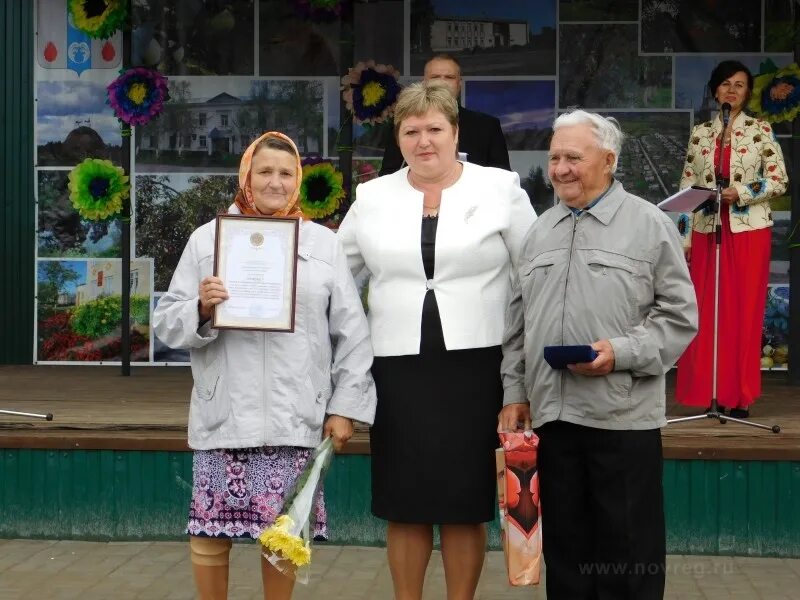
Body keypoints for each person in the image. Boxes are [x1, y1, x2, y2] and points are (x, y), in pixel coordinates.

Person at [152, 131, 376, 600]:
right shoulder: (208, 240)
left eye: (286, 173)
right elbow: (166, 323)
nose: (275, 182)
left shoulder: (322, 244)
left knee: (282, 536)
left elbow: (352, 334)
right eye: (265, 171)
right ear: (246, 175)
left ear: (298, 180)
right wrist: (200, 308)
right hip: (226, 412)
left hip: (294, 413)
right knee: (209, 532)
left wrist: (344, 407)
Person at [338, 82, 536, 600]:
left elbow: (535, 278)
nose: (424, 141)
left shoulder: (501, 188)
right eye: (411, 131)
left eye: (434, 129)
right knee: (404, 499)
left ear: (455, 132)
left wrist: (521, 382)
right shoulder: (372, 196)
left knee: (462, 501)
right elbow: (335, 279)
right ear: (398, 138)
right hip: (398, 371)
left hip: (477, 369)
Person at [498, 110, 698, 600]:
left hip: (622, 419)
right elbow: (517, 325)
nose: (561, 169)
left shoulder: (649, 224)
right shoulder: (540, 231)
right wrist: (515, 391)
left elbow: (680, 315)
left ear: (608, 160)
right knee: (566, 552)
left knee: (628, 554)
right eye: (554, 158)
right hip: (553, 418)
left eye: (573, 158)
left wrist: (621, 352)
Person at [675, 60, 788, 418]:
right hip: (707, 231)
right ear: (715, 90)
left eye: (740, 85)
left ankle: (737, 396)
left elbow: (779, 181)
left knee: (742, 311)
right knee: (706, 311)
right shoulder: (700, 133)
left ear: (747, 93)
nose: (732, 90)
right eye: (726, 84)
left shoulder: (760, 131)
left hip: (748, 230)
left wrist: (739, 191)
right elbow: (686, 186)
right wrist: (683, 240)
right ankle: (707, 392)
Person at [378, 53, 510, 175]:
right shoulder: (406, 123)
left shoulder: (487, 126)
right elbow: (389, 174)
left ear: (459, 84)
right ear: (424, 83)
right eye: (435, 77)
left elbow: (502, 178)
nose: (442, 82)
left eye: (449, 77)